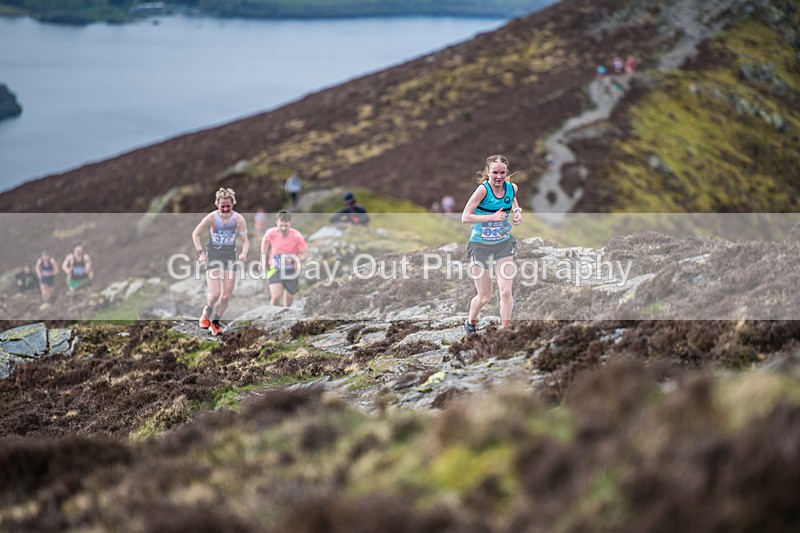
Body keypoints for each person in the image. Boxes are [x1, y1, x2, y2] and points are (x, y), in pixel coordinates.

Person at [461, 154, 523, 334]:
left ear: (507, 173)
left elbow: (511, 198)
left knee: (505, 292)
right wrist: (491, 217)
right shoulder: (482, 191)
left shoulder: (512, 187)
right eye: (494, 172)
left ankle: (505, 331)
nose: (498, 176)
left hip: (503, 244)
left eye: (502, 173)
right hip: (480, 246)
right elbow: (465, 217)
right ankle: (470, 323)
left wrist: (517, 211)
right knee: (485, 297)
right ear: (488, 172)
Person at [191, 188, 249, 336]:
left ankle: (215, 322)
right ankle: (207, 311)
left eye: (228, 206)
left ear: (233, 204)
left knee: (225, 296)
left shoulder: (238, 219)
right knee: (215, 293)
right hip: (214, 256)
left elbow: (245, 242)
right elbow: (196, 234)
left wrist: (243, 253)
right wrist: (201, 253)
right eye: (222, 206)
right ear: (217, 204)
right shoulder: (211, 218)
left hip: (230, 257)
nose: (225, 209)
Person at [261, 210, 307, 307]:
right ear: (276, 222)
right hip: (275, 268)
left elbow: (304, 255)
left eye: (286, 225)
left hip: (291, 270)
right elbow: (264, 244)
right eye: (281, 225)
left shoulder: (297, 236)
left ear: (290, 223)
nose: (283, 228)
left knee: (288, 302)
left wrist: (293, 259)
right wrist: (262, 261)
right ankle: (270, 316)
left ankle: (285, 320)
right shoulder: (271, 233)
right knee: (276, 296)